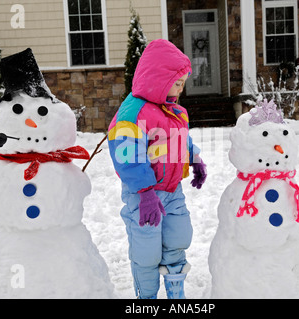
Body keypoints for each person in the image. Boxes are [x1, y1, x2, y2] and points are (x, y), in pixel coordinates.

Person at [108, 39, 207, 299]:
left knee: (178, 239)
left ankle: (176, 294)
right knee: (147, 252)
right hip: (142, 196)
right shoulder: (133, 112)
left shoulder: (173, 110)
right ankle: (148, 299)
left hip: (173, 191)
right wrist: (145, 192)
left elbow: (179, 139)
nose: (180, 89)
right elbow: (126, 155)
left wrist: (194, 159)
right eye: (177, 83)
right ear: (158, 79)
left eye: (183, 83)